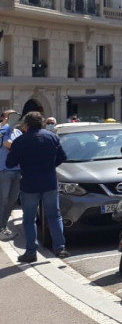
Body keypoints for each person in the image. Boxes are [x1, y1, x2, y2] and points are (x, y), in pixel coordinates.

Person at [5, 111, 69, 262]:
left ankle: (31, 252)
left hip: (29, 184)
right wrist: (49, 166)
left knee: (29, 219)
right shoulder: (51, 136)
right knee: (54, 215)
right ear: (42, 122)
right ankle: (60, 248)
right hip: (49, 181)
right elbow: (62, 157)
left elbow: (10, 163)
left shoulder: (20, 141)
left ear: (26, 124)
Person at [0, 112, 23, 240]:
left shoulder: (18, 132)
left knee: (12, 200)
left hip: (17, 170)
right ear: (3, 118)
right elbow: (7, 144)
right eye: (11, 116)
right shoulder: (1, 130)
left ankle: (3, 226)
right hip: (3, 170)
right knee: (3, 200)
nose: (15, 119)